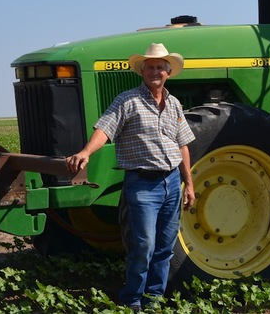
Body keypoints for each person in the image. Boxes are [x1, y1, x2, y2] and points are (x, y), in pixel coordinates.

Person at [65, 42, 196, 311]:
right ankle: (132, 300)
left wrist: (189, 184)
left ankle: (154, 299)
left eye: (160, 67)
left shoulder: (174, 104)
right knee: (143, 245)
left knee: (165, 246)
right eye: (150, 67)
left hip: (172, 181)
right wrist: (86, 151)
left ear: (168, 72)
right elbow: (105, 128)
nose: (155, 71)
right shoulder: (127, 101)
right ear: (142, 72)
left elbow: (182, 145)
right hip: (143, 184)